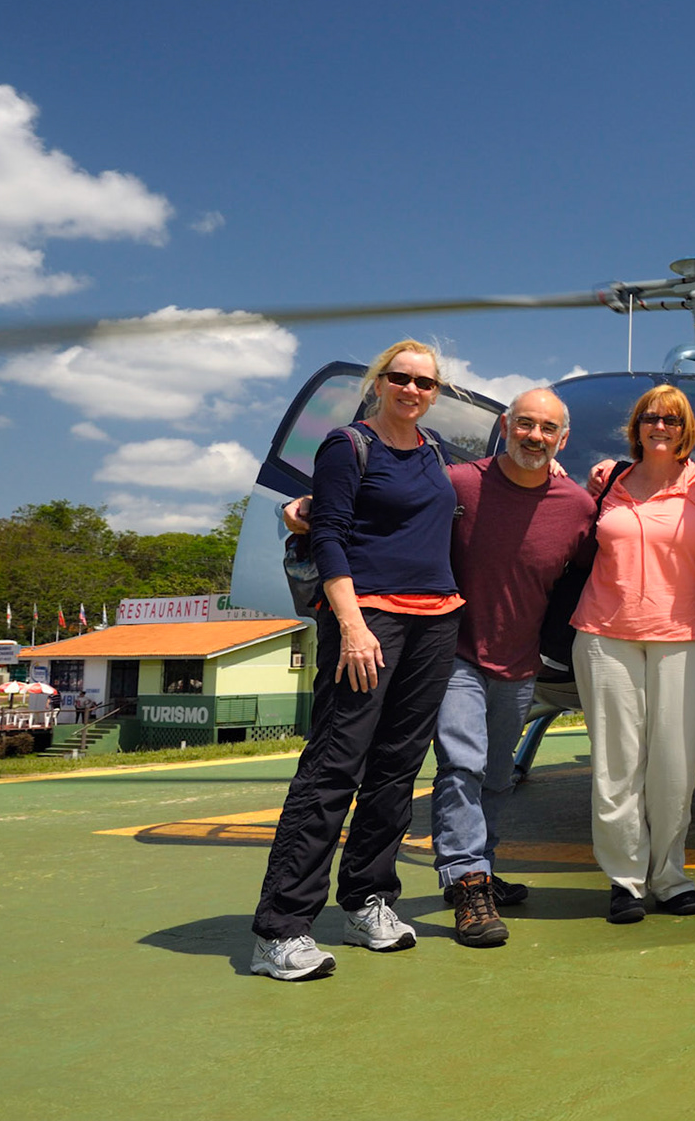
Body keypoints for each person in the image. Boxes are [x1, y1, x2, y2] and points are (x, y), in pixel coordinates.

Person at [279, 388, 595, 949]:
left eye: (548, 429)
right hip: (453, 651)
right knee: (462, 766)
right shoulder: (459, 483)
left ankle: (482, 866)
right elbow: (386, 504)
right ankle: (466, 882)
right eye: (525, 424)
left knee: (498, 774)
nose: (535, 437)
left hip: (520, 662)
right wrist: (308, 510)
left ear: (562, 439)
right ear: (504, 425)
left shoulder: (577, 506)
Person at [249, 339, 463, 982]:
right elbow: (329, 534)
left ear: (437, 392)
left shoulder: (436, 455)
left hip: (435, 621)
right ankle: (280, 930)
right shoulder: (347, 445)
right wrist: (350, 624)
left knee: (397, 771)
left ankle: (368, 900)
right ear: (379, 382)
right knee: (333, 769)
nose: (412, 390)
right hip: (368, 620)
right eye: (400, 378)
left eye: (425, 382)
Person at [572, 384, 695, 924]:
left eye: (673, 420)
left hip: (686, 634)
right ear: (635, 427)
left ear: (687, 431)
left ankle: (670, 874)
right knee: (616, 764)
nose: (661, 427)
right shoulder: (608, 481)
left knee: (675, 765)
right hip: (604, 632)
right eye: (651, 418)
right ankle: (626, 881)